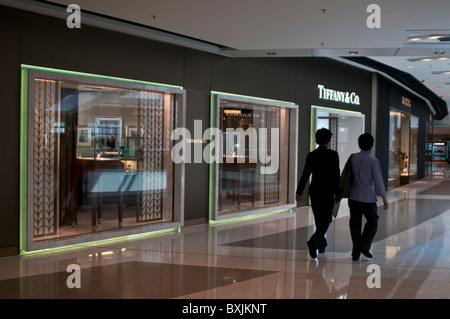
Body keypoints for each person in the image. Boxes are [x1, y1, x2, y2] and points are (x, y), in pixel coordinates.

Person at [296, 128, 340, 259]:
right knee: (326, 219)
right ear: (328, 140)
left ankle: (322, 245)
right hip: (328, 192)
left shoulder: (312, 155)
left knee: (319, 218)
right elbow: (336, 176)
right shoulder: (333, 155)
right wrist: (339, 194)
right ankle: (314, 242)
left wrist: (299, 191)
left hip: (314, 191)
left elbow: (305, 174)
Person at [347, 133, 388, 261]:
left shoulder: (353, 158)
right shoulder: (373, 161)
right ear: (371, 145)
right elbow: (378, 180)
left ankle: (355, 252)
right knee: (373, 221)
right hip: (368, 197)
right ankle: (364, 245)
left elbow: (346, 176)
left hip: (353, 196)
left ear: (359, 144)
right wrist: (383, 197)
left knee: (355, 223)